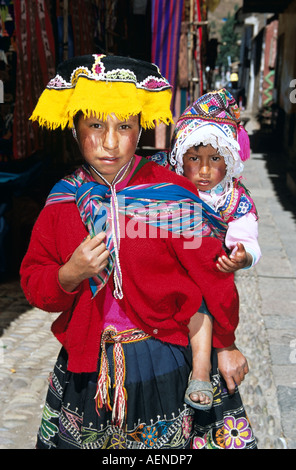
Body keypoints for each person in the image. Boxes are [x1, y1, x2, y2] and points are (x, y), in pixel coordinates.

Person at [20, 55, 256, 449]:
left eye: (124, 127)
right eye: (95, 125)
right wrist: (69, 274)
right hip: (87, 368)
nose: (110, 142)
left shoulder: (172, 196)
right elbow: (34, 283)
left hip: (164, 362)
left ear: (140, 128)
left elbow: (214, 274)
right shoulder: (62, 203)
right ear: (75, 129)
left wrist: (226, 344)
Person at [168, 88, 261, 411]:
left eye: (214, 159)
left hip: (208, 281)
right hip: (168, 277)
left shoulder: (235, 200)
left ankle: (202, 369)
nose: (204, 170)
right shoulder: (168, 189)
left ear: (229, 160)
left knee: (203, 299)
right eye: (194, 159)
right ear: (180, 159)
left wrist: (242, 256)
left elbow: (245, 236)